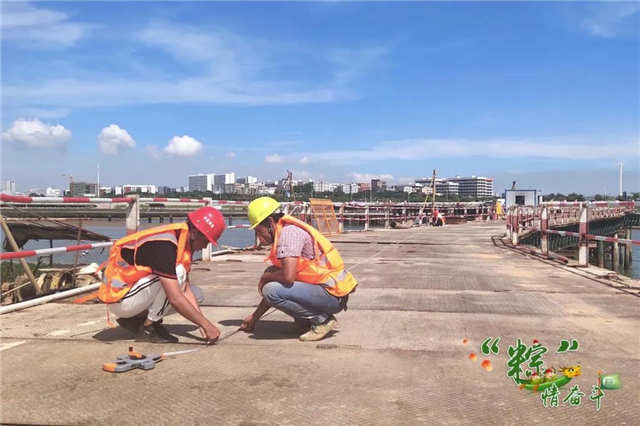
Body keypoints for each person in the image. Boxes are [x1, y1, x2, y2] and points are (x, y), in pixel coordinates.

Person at [101, 206, 225, 344]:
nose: (205, 246)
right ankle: (149, 327)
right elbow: (175, 298)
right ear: (195, 233)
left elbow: (187, 288)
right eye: (206, 241)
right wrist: (208, 326)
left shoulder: (181, 240)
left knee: (196, 294)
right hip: (119, 299)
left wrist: (202, 325)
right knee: (178, 275)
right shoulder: (166, 245)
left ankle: (136, 319)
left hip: (131, 292)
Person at [240, 197, 358, 341]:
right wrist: (254, 317)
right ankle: (305, 320)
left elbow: (287, 278)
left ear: (270, 223)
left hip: (332, 295)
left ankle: (322, 320)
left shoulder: (288, 234)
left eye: (259, 231)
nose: (259, 238)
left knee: (270, 289)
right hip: (330, 293)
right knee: (272, 277)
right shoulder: (286, 230)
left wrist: (266, 277)